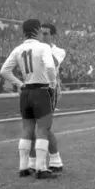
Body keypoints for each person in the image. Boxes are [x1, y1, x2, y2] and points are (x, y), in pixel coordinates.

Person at [0, 19, 57, 179]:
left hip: (26, 93)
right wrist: (52, 84)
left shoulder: (18, 49)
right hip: (41, 91)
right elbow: (51, 67)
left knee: (27, 129)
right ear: (37, 30)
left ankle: (23, 167)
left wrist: (19, 83)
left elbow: (4, 71)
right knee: (43, 129)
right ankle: (41, 168)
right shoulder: (43, 47)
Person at [28, 23, 66, 173]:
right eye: (40, 33)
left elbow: (52, 64)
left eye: (46, 33)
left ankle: (40, 161)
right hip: (35, 88)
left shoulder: (59, 51)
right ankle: (54, 161)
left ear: (52, 36)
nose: (42, 36)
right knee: (36, 126)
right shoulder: (36, 49)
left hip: (49, 89)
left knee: (42, 126)